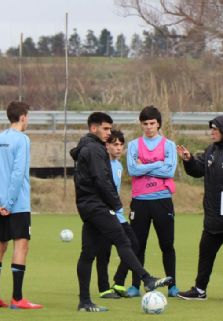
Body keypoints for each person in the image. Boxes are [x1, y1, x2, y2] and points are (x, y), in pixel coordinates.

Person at [70, 112, 172, 312]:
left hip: (88, 206)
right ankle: (147, 279)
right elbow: (101, 180)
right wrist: (115, 204)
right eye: (106, 129)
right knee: (124, 241)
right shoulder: (94, 149)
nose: (109, 133)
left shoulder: (88, 147)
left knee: (88, 253)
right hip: (98, 206)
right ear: (94, 128)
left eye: (110, 128)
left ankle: (84, 302)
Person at [176, 114, 223, 301]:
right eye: (212, 129)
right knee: (205, 254)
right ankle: (200, 290)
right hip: (212, 216)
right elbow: (198, 170)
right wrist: (189, 160)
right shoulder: (211, 150)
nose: (212, 133)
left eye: (215, 129)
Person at [0, 101, 42, 309]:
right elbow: (18, 174)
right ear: (23, 117)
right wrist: (8, 203)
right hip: (16, 204)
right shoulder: (23, 140)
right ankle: (17, 299)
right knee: (21, 244)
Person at [126, 106, 179, 297]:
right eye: (145, 124)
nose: (148, 127)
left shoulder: (169, 145)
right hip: (139, 201)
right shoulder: (133, 145)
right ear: (141, 124)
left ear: (158, 124)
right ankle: (135, 285)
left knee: (167, 245)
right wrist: (159, 164)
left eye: (152, 123)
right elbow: (132, 170)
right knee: (137, 245)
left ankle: (172, 285)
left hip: (162, 200)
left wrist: (146, 166)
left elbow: (169, 171)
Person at [94, 129, 140, 299]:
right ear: (107, 146)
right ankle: (104, 288)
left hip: (118, 216)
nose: (119, 148)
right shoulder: (102, 164)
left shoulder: (119, 165)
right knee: (103, 252)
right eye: (115, 144)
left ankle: (119, 282)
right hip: (105, 215)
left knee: (133, 245)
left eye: (121, 144)